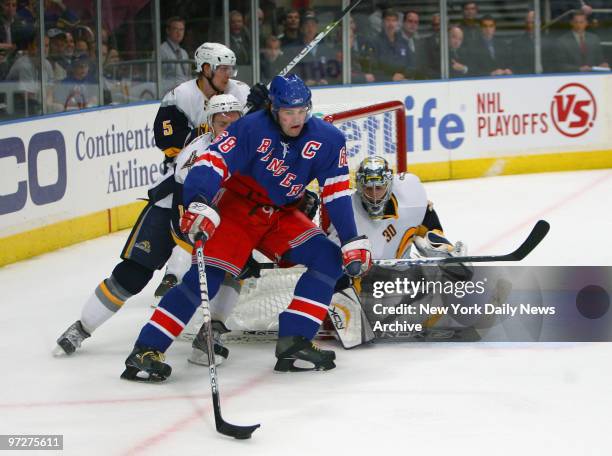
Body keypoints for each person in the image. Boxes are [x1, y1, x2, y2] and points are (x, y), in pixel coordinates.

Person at [120, 74, 372, 382]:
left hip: (280, 213)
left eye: (301, 111)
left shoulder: (329, 139)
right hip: (237, 208)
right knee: (207, 278)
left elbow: (336, 193)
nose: (296, 119)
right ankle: (147, 349)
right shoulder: (250, 128)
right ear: (272, 108)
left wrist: (350, 238)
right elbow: (209, 164)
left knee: (329, 258)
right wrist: (200, 202)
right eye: (287, 112)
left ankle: (295, 341)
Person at [53, 94, 244, 357]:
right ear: (210, 123)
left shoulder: (249, 150)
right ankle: (81, 328)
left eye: (235, 121)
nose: (229, 127)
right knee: (132, 274)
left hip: (210, 219)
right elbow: (182, 205)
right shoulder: (198, 151)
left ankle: (212, 332)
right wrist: (190, 238)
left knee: (235, 269)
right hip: (169, 209)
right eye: (223, 122)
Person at [152, 42, 256, 296]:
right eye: (222, 69)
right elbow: (168, 143)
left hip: (234, 171)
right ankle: (174, 273)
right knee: (188, 216)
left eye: (230, 68)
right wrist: (208, 133)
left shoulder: (241, 92)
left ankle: (239, 264)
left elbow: (261, 131)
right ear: (205, 68)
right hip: (189, 169)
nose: (228, 74)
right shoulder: (180, 96)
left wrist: (263, 105)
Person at [159, 16, 190, 93]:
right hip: (169, 93)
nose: (179, 33)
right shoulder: (161, 51)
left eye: (181, 30)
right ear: (168, 31)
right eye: (175, 29)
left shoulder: (184, 53)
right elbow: (156, 79)